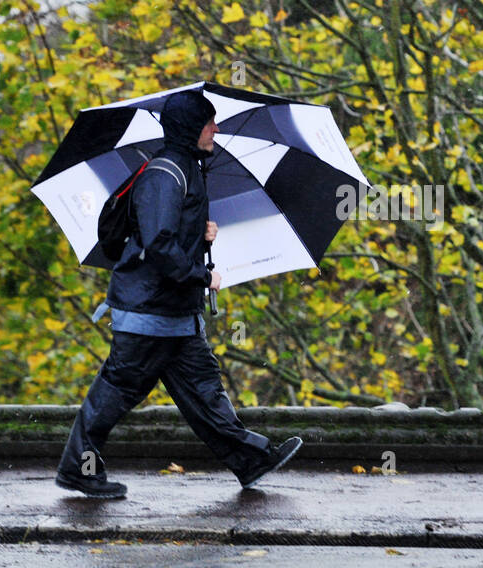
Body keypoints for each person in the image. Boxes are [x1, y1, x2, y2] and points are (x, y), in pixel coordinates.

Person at [55, 88, 302, 498]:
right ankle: (78, 469)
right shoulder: (163, 175)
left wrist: (201, 233)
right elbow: (158, 245)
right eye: (210, 123)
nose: (216, 130)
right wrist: (204, 278)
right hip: (149, 312)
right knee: (116, 393)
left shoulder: (186, 170)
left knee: (204, 390)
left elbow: (169, 234)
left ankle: (251, 459)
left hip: (174, 314)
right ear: (191, 127)